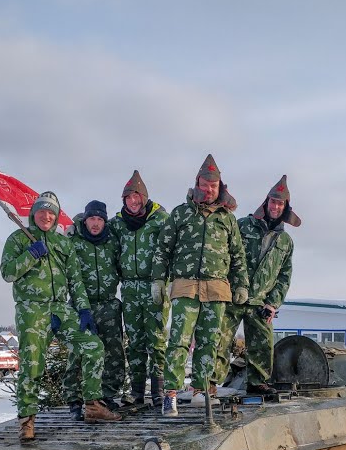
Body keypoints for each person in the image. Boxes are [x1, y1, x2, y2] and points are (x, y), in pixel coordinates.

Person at [0, 191, 121, 441]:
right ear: (34, 214)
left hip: (61, 308)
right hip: (32, 308)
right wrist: (31, 255)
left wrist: (84, 309)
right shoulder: (18, 239)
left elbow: (75, 280)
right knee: (33, 362)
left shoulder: (63, 244)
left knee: (93, 346)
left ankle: (92, 406)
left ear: (56, 218)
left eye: (51, 213)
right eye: (42, 211)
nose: (46, 216)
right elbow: (8, 272)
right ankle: (27, 420)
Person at [152, 154, 249, 416]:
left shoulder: (227, 219)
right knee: (179, 340)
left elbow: (238, 255)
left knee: (209, 341)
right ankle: (170, 394)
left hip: (217, 287)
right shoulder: (180, 213)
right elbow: (163, 249)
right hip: (185, 285)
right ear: (197, 184)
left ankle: (200, 390)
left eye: (213, 186)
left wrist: (241, 285)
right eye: (204, 185)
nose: (208, 190)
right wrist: (159, 280)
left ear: (220, 188)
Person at [213, 175, 299, 395]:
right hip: (233, 295)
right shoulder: (243, 226)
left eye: (280, 203)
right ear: (266, 202)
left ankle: (257, 382)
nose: (276, 206)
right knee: (220, 340)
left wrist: (273, 303)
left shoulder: (285, 241)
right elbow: (226, 255)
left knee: (262, 344)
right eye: (273, 202)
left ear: (285, 207)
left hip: (261, 301)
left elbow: (284, 275)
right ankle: (211, 383)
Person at [109, 170, 171, 407]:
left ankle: (158, 391)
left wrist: (168, 280)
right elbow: (95, 227)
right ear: (124, 200)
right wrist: (79, 221)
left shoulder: (161, 219)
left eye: (137, 198)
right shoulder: (118, 223)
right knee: (134, 341)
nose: (133, 203)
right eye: (128, 198)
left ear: (144, 198)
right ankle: (136, 392)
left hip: (154, 286)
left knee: (155, 339)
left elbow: (172, 248)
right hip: (130, 288)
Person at [62, 200, 128, 419]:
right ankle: (74, 400)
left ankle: (106, 397)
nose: (96, 224)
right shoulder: (73, 241)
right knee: (78, 353)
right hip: (82, 305)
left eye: (100, 219)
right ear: (86, 219)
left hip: (108, 304)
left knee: (113, 353)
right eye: (92, 218)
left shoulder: (113, 241)